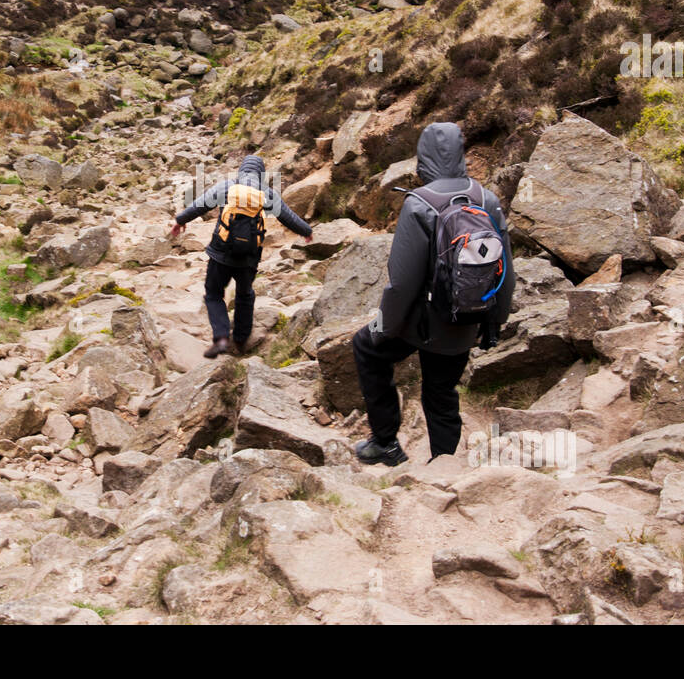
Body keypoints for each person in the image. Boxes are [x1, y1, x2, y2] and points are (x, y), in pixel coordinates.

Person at [351, 123, 515, 466]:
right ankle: (445, 463)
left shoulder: (419, 204)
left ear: (422, 157)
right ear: (460, 153)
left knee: (366, 347)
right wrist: (494, 323)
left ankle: (385, 443)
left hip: (422, 322)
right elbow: (506, 270)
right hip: (468, 316)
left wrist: (384, 326)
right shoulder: (488, 199)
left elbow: (402, 283)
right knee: (441, 392)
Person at [171, 155, 313, 358]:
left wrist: (180, 220)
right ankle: (240, 339)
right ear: (261, 174)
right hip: (249, 257)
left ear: (241, 171)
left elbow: (200, 205)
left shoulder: (228, 186)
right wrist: (306, 231)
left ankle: (220, 338)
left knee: (213, 293)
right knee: (245, 295)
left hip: (220, 253)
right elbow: (287, 216)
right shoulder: (266, 193)